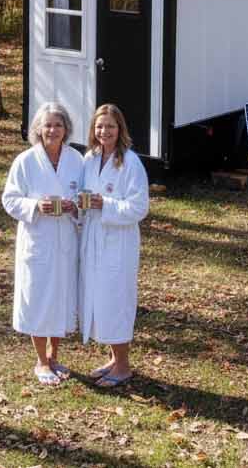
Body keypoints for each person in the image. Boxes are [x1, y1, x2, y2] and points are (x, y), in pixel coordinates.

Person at [2, 101, 84, 386]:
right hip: (38, 239)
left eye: (58, 125)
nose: (53, 130)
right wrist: (36, 206)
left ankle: (55, 354)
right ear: (38, 128)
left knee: (62, 296)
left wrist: (76, 208)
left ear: (66, 129)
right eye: (47, 125)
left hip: (66, 239)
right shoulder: (25, 161)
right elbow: (9, 199)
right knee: (39, 297)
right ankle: (40, 360)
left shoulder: (77, 160)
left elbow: (85, 196)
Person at [79, 103, 150, 388]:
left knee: (115, 300)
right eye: (99, 126)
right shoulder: (89, 158)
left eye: (109, 126)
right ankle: (113, 358)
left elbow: (139, 207)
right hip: (93, 237)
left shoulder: (130, 162)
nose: (104, 131)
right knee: (98, 299)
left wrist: (103, 204)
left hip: (118, 242)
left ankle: (123, 366)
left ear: (120, 129)